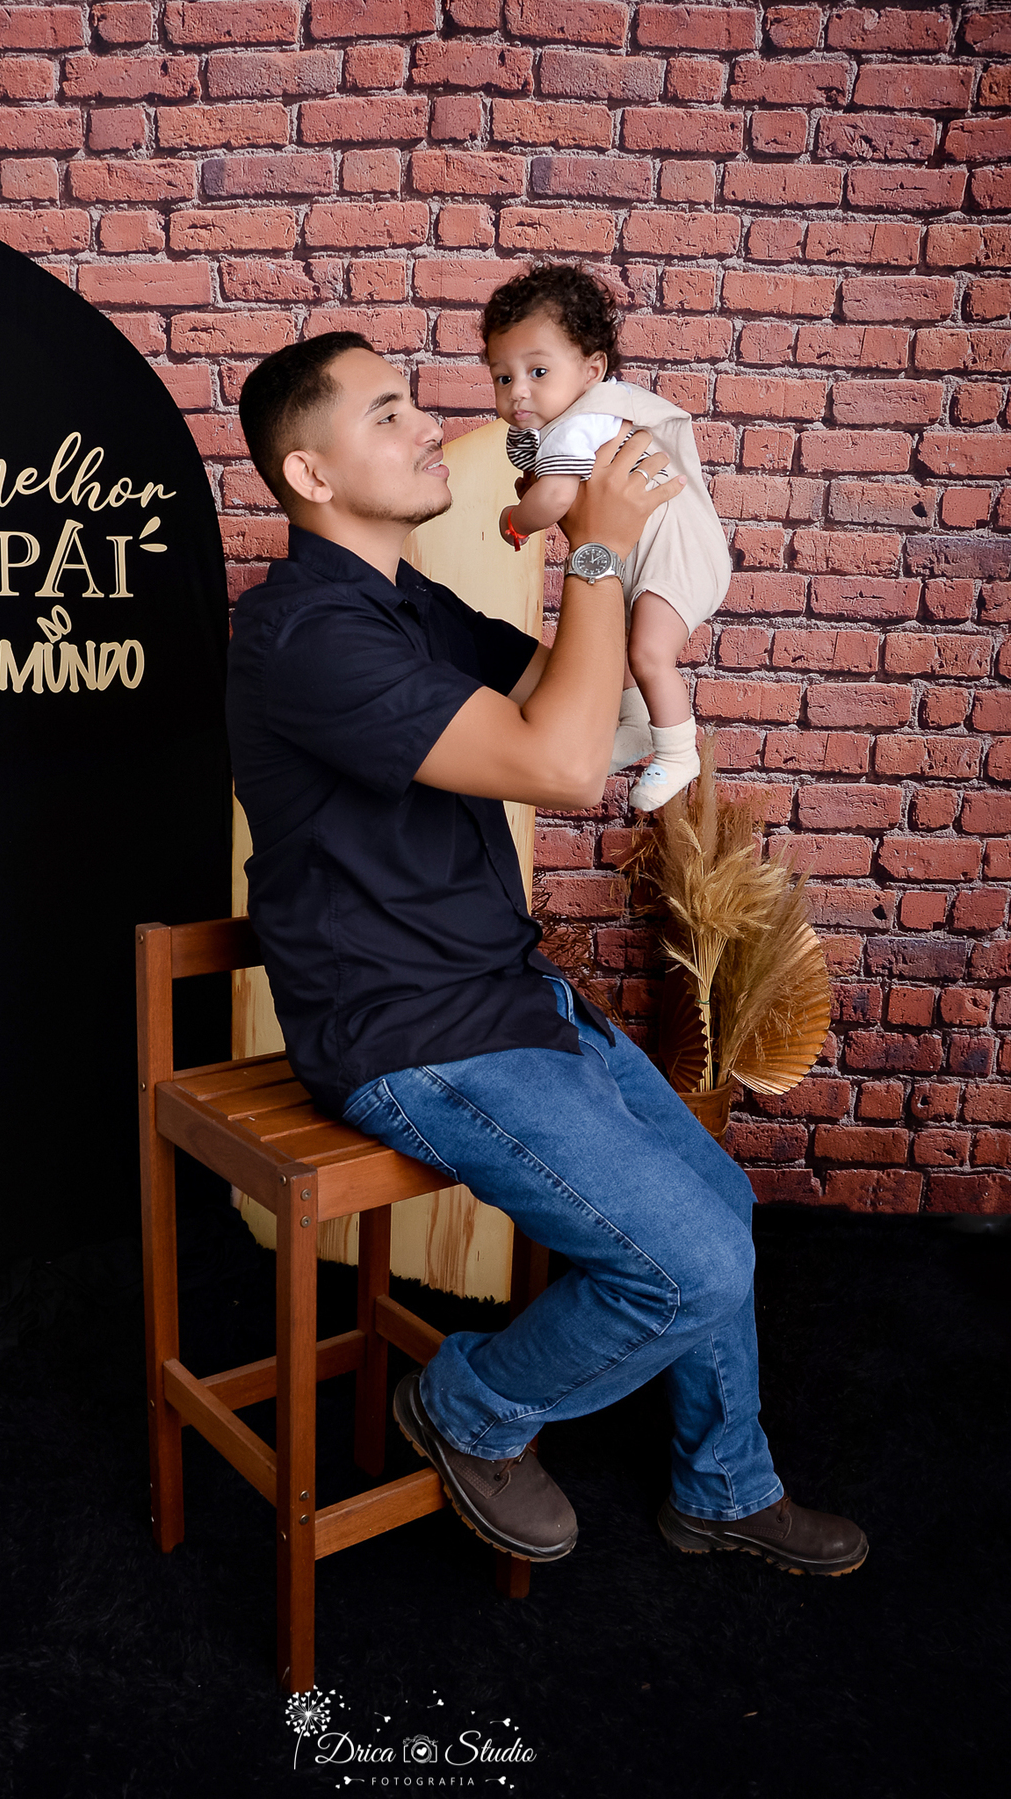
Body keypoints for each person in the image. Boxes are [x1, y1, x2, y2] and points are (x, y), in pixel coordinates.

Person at [227, 331, 867, 1580]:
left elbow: (605, 713)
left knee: (722, 1208)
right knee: (691, 1259)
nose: (430, 427)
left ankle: (722, 1486)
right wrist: (594, 545)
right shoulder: (303, 633)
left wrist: (652, 586)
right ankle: (467, 1406)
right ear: (310, 475)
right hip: (408, 1031)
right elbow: (566, 770)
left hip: (503, 997)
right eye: (391, 410)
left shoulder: (408, 606)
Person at [484, 264, 732, 812]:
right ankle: (637, 728)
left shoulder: (581, 423)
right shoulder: (566, 422)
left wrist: (513, 519)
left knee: (648, 652)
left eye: (538, 372)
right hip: (644, 553)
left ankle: (677, 750)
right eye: (503, 378)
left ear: (591, 369)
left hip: (678, 557)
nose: (518, 392)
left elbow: (552, 501)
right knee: (618, 645)